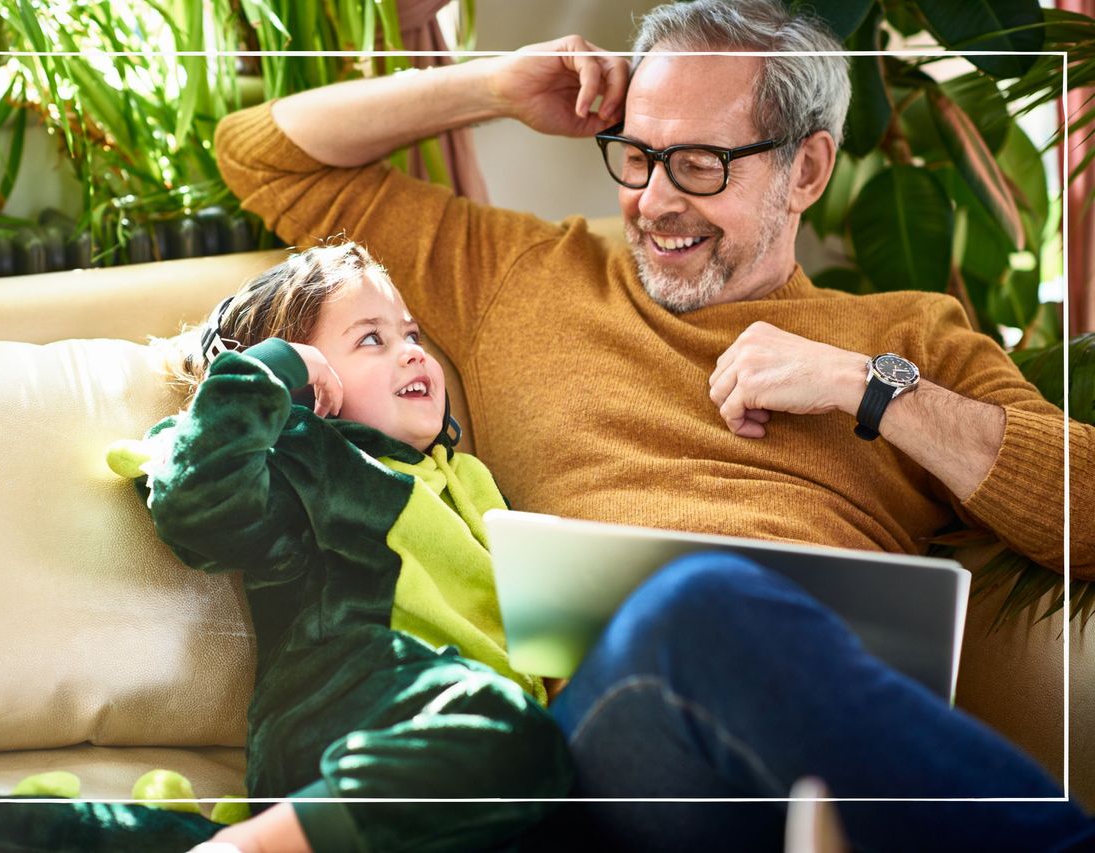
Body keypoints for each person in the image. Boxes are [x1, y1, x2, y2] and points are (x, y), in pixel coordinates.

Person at [207, 0, 1095, 849]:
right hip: (608, 762)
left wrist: (868, 388)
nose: (656, 200)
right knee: (696, 603)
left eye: (701, 164)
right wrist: (490, 88)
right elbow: (258, 155)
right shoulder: (525, 274)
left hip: (823, 757)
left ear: (809, 169)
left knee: (718, 615)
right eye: (637, 155)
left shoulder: (908, 339)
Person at [138, 241, 572, 852]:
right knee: (508, 732)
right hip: (346, 733)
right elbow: (198, 506)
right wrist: (269, 371)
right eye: (373, 340)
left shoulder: (469, 480)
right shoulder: (307, 461)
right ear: (312, 381)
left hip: (484, 766)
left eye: (412, 333)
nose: (412, 352)